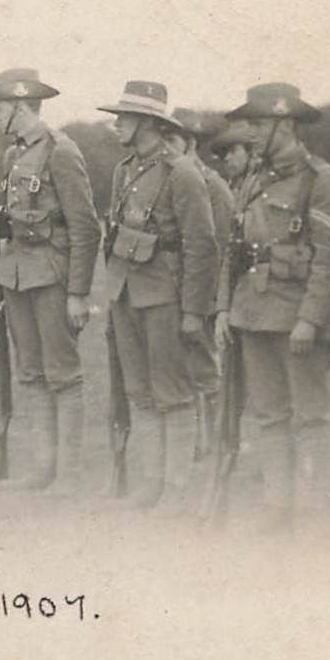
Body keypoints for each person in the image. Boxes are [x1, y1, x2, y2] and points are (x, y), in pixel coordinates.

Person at [214, 82, 330, 532]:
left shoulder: (319, 180)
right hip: (253, 313)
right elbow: (232, 251)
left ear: (285, 125)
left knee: (309, 417)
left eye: (258, 124)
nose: (249, 133)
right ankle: (278, 508)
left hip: (297, 317)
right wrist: (221, 311)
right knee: (269, 414)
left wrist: (310, 319)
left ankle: (313, 514)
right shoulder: (253, 179)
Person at [0, 68, 99, 491]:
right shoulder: (13, 156)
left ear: (18, 105)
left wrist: (79, 293)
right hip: (15, 276)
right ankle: (40, 470)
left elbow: (85, 227)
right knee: (30, 373)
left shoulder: (60, 151)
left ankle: (68, 476)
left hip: (51, 275)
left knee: (63, 375)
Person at [99, 81, 217, 509]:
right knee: (139, 392)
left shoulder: (180, 172)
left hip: (165, 294)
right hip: (125, 291)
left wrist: (193, 311)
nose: (115, 125)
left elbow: (201, 246)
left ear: (147, 122)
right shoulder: (123, 170)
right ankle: (151, 482)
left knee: (173, 392)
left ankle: (176, 486)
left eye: (123, 118)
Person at [167, 107, 237, 470]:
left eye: (172, 140)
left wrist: (207, 302)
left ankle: (219, 439)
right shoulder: (175, 179)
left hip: (203, 295)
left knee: (207, 370)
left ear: (191, 144)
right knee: (185, 369)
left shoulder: (212, 186)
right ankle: (200, 440)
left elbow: (218, 247)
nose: (166, 147)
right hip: (177, 289)